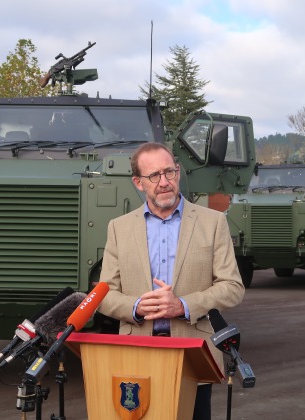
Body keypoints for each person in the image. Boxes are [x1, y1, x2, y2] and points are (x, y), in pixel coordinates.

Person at [98, 142, 245, 419]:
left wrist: (183, 305)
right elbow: (104, 294)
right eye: (154, 175)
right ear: (138, 182)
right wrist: (136, 306)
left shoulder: (213, 222)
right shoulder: (119, 228)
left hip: (194, 355)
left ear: (178, 172)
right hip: (136, 355)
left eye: (170, 172)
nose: (164, 182)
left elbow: (233, 288)